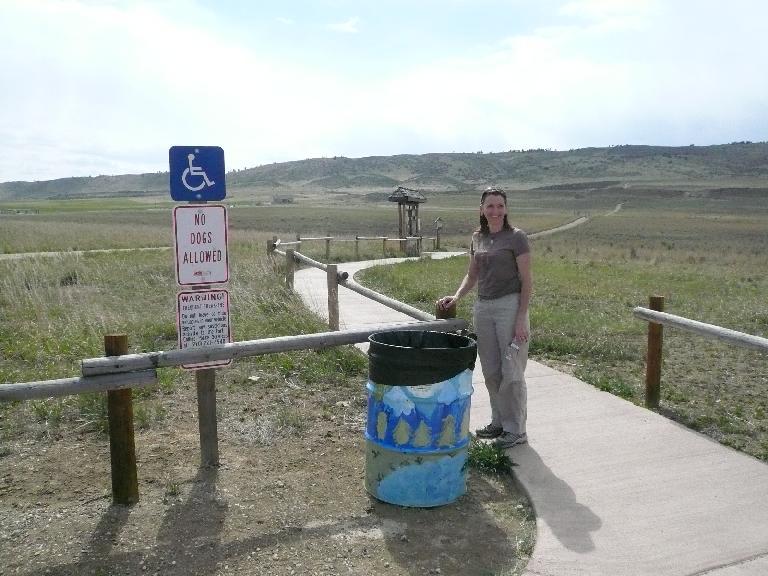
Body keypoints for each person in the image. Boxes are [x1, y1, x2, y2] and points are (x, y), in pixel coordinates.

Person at [437, 187, 532, 449]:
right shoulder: (477, 238)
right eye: (490, 206)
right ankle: (498, 422)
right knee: (490, 370)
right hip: (484, 307)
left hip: (510, 307)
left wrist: (521, 318)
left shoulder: (517, 238)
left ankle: (516, 430)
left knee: (511, 370)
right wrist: (457, 297)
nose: (495, 211)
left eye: (500, 205)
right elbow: (472, 274)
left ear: (506, 208)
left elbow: (526, 280)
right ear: (481, 209)